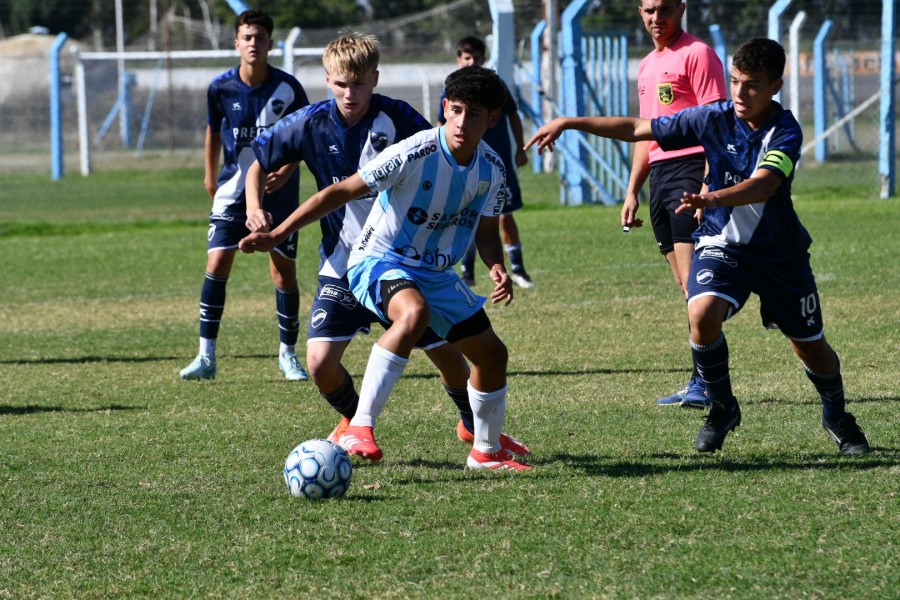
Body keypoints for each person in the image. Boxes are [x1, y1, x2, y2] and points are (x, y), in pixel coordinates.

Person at [526, 38, 870, 455]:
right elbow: (639, 128)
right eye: (736, 82)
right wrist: (569, 122)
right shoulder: (713, 116)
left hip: (780, 253)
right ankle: (722, 406)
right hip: (722, 241)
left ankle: (836, 414)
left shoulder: (786, 131)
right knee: (701, 311)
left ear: (776, 85)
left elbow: (765, 184)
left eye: (753, 85)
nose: (741, 94)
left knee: (811, 346)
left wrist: (712, 198)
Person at [245, 36, 530, 460]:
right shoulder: (408, 146)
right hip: (369, 258)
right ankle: (356, 423)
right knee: (332, 358)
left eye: (473, 115)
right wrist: (270, 223)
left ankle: (482, 444)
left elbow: (488, 230)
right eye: (455, 110)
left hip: (429, 270)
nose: (461, 122)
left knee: (482, 355)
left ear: (492, 120)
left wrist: (496, 265)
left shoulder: (484, 164)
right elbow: (335, 190)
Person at [179, 10, 310, 382]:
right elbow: (213, 132)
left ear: (271, 43)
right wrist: (209, 176)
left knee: (282, 271)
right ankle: (206, 355)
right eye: (247, 37)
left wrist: (286, 171)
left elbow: (306, 136)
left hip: (278, 194)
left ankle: (288, 354)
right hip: (232, 190)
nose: (254, 43)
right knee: (218, 263)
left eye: (260, 37)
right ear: (236, 43)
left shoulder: (288, 89)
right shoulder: (220, 87)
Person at [625, 0, 726, 408]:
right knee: (686, 285)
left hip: (689, 169)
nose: (656, 18)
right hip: (660, 177)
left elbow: (717, 124)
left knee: (696, 286)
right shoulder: (647, 65)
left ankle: (706, 383)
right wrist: (633, 189)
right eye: (649, 10)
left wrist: (707, 180)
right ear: (639, 11)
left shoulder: (698, 54)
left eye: (665, 9)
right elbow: (645, 132)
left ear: (681, 8)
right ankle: (703, 378)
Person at [437, 36, 534, 289]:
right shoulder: (453, 89)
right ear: (459, 60)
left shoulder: (495, 86)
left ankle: (518, 269)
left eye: (477, 58)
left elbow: (513, 115)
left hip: (497, 163)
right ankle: (466, 271)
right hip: (463, 165)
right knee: (466, 215)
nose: (472, 62)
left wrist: (520, 148)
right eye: (467, 58)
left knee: (504, 215)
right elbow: (440, 124)